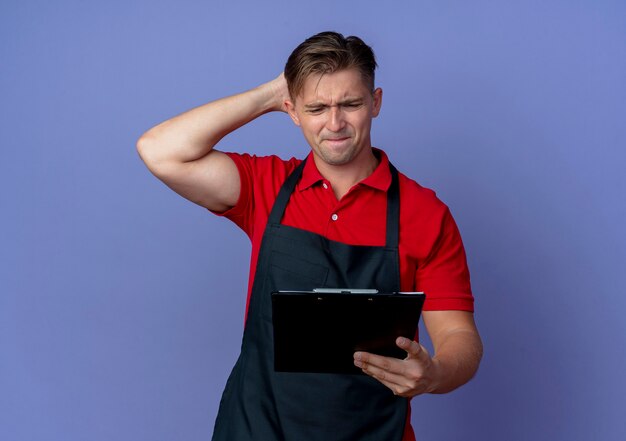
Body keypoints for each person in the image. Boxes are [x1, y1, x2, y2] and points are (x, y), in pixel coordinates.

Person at [137, 31, 483, 441]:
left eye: (350, 104)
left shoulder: (424, 213)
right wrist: (270, 92)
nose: (334, 124)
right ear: (292, 110)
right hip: (256, 429)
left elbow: (460, 337)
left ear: (375, 103)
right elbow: (159, 150)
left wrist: (435, 374)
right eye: (316, 107)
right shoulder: (265, 186)